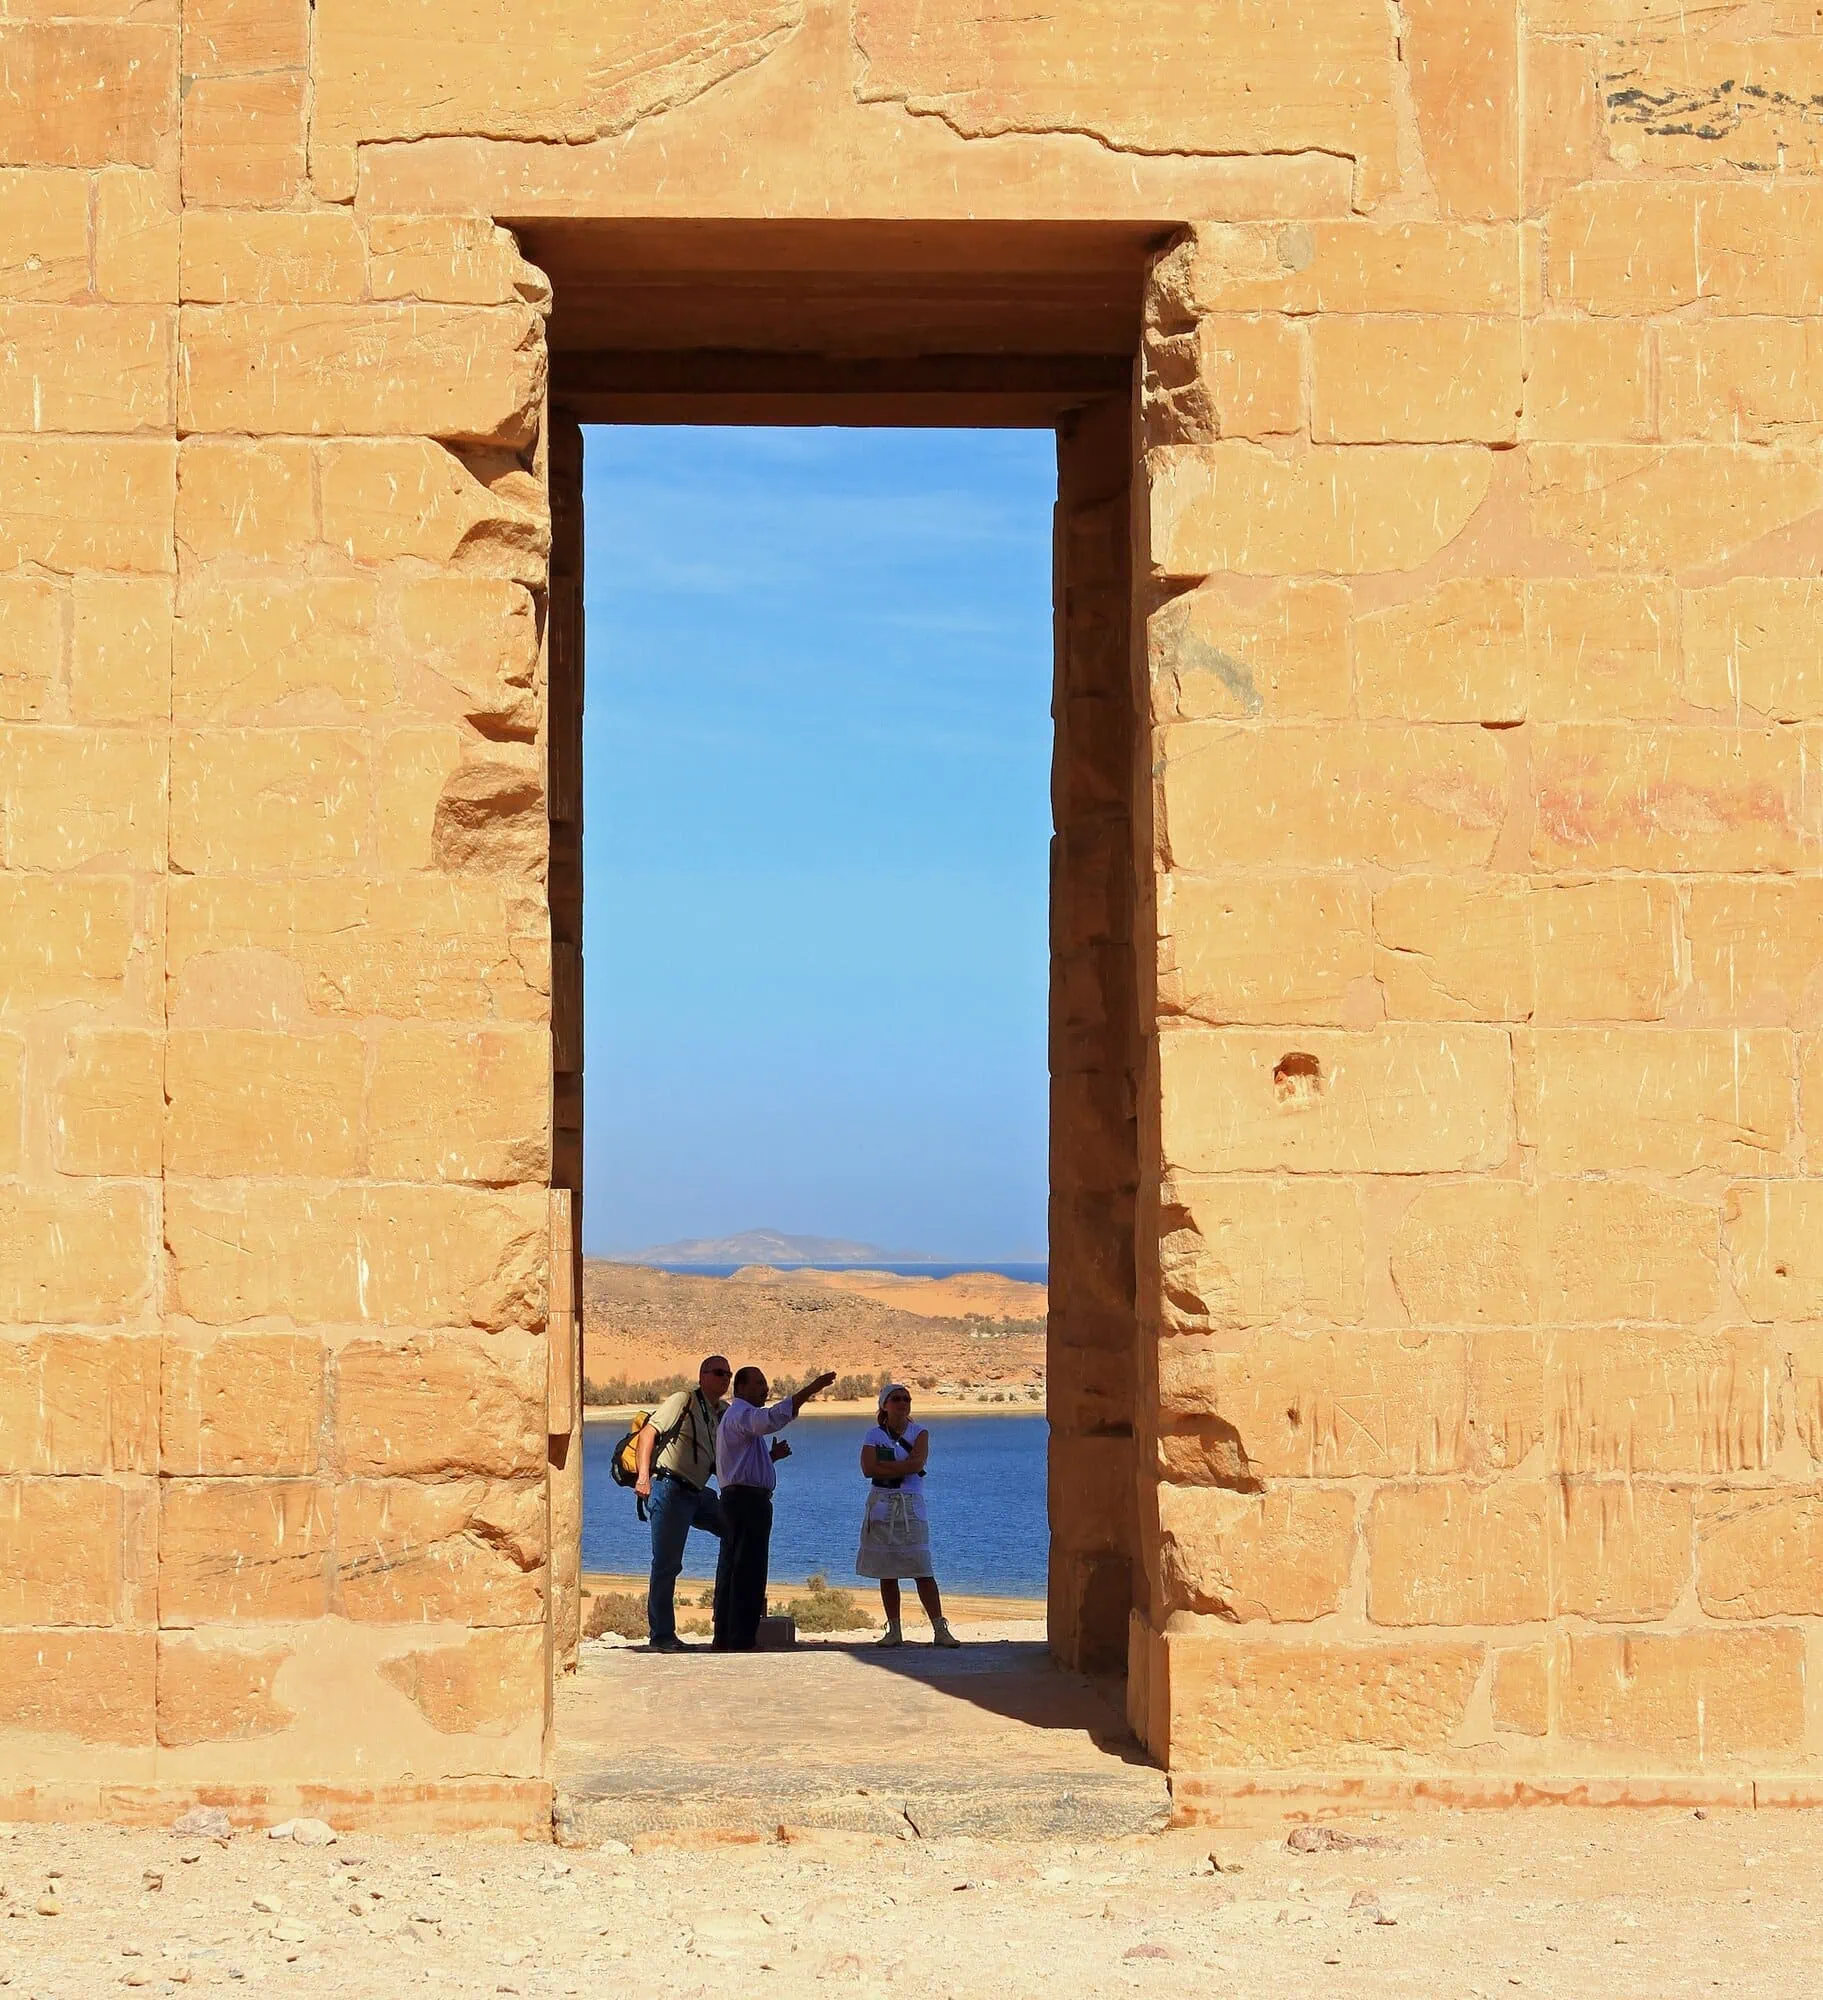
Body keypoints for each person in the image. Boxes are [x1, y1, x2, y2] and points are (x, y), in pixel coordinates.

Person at [712, 1365, 837, 1651]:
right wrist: (811, 1389)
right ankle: (739, 1639)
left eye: (765, 1383)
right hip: (746, 1503)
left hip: (741, 1501)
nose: (765, 1388)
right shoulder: (742, 1414)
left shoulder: (738, 1419)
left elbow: (742, 1465)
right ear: (740, 1388)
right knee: (748, 1571)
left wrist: (771, 1457)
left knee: (734, 1568)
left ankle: (727, 1637)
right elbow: (771, 1418)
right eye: (758, 1383)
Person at [634, 1355, 731, 1653]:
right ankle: (662, 1635)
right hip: (669, 1487)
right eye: (718, 1373)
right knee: (666, 1563)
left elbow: (723, 1456)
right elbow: (649, 1433)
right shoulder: (684, 1400)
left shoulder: (723, 1412)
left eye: (728, 1374)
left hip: (698, 1492)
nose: (724, 1378)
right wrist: (643, 1477)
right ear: (702, 1376)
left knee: (734, 1531)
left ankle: (726, 1618)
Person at [856, 1384, 960, 1648]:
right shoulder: (873, 1434)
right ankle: (894, 1630)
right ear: (884, 1405)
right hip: (881, 1505)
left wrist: (887, 1468)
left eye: (906, 1399)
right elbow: (868, 1469)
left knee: (921, 1567)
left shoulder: (919, 1433)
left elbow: (918, 1464)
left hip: (910, 1505)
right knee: (887, 1570)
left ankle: (940, 1628)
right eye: (897, 1399)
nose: (903, 1403)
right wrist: (902, 1468)